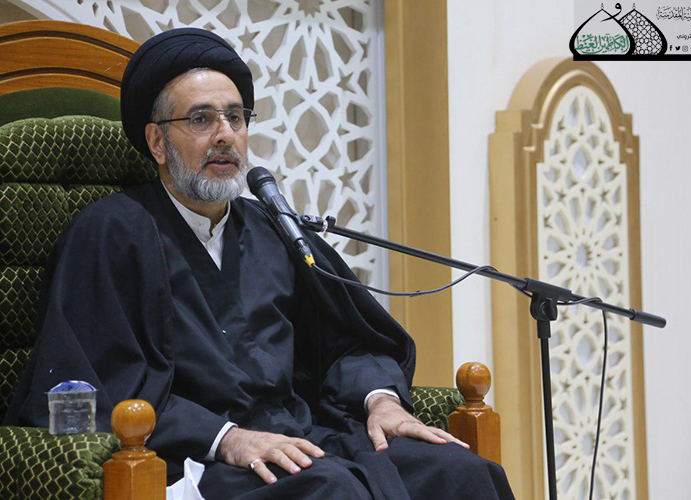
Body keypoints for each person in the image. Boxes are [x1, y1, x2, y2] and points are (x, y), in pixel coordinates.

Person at [4, 28, 514, 499]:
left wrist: (380, 400)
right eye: (201, 119)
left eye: (236, 117)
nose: (225, 134)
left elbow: (346, 341)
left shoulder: (273, 229)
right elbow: (95, 384)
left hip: (305, 438)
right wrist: (227, 437)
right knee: (332, 490)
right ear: (157, 142)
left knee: (461, 472)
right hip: (194, 457)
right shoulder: (110, 233)